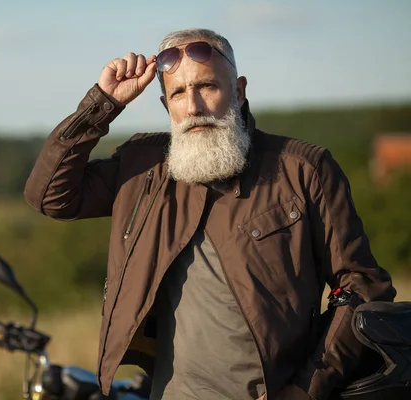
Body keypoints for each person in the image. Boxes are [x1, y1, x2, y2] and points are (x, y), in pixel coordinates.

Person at [23, 28, 396, 400]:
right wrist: (104, 102)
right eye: (179, 93)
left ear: (238, 91)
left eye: (207, 87)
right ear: (166, 104)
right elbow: (50, 196)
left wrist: (305, 388)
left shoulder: (303, 170)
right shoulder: (143, 168)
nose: (194, 107)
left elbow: (363, 285)